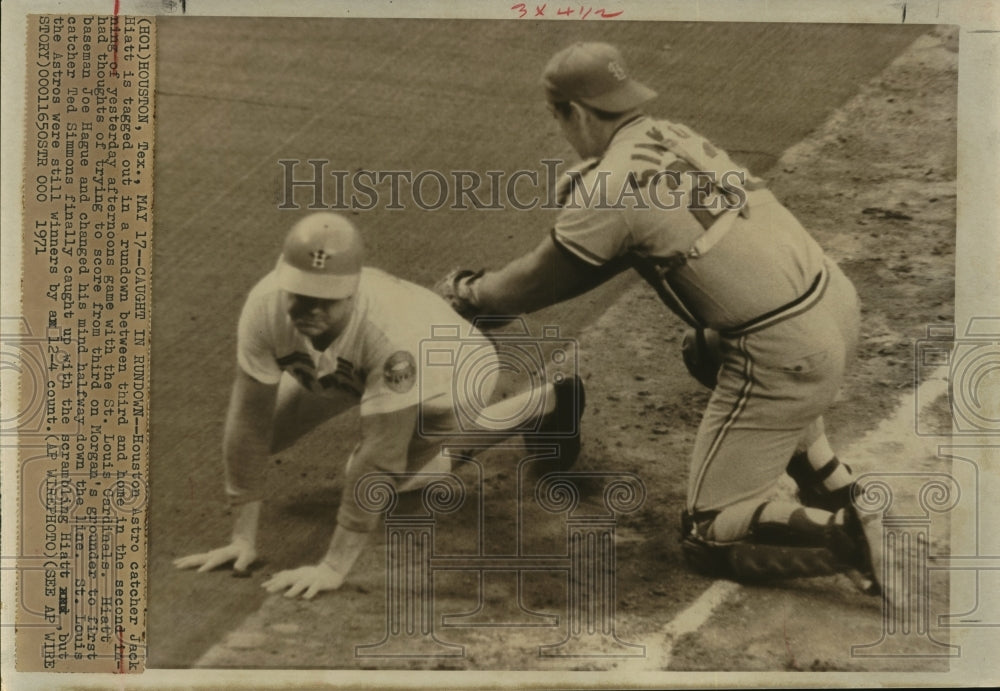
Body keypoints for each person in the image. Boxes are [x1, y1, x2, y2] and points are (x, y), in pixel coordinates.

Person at [436, 42, 880, 590]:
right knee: (705, 349)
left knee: (710, 534)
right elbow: (653, 214)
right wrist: (597, 197)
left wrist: (470, 293)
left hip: (788, 354)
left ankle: (844, 534)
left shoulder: (610, 188)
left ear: (572, 113)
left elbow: (539, 282)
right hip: (833, 302)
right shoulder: (674, 133)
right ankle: (830, 478)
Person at [174, 212, 583, 599]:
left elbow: (381, 456)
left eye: (328, 300)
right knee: (267, 435)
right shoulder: (265, 305)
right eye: (301, 296)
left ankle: (544, 403)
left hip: (454, 372)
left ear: (352, 292)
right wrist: (241, 539)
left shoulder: (390, 338)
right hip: (353, 361)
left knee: (384, 479)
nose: (311, 311)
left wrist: (332, 568)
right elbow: (248, 422)